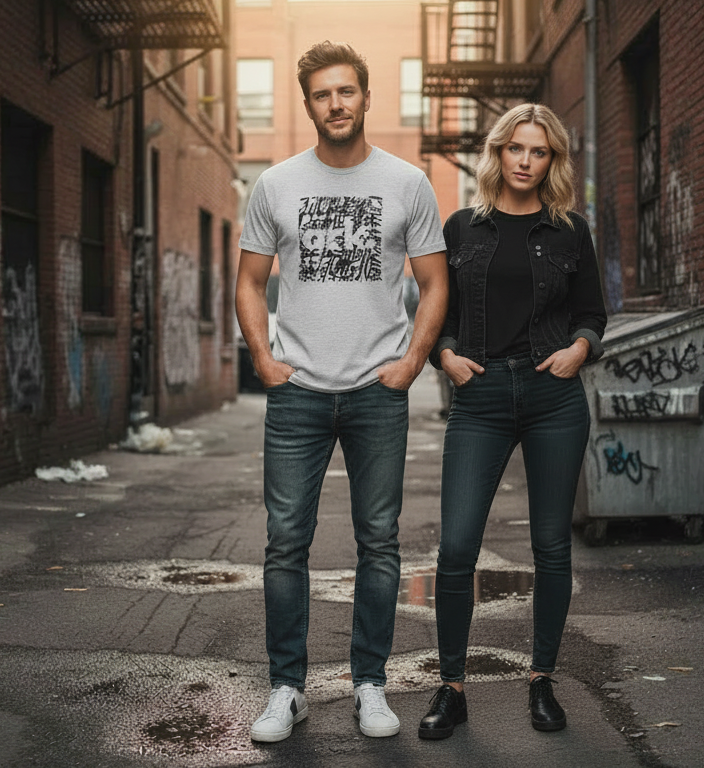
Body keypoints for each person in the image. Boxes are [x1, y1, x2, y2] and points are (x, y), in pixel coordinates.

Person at [236, 40, 449, 743]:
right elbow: (249, 280)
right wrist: (263, 359)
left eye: (346, 91)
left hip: (376, 392)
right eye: (323, 94)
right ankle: (287, 689)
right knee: (285, 543)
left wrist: (412, 363)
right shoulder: (274, 185)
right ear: (308, 104)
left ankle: (369, 683)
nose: (336, 103)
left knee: (379, 543)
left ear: (365, 97)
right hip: (297, 393)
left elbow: (434, 282)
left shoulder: (408, 183)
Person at [418, 103, 606, 739]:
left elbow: (592, 313)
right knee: (457, 548)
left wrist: (579, 349)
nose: (526, 161)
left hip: (554, 396)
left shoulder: (569, 230)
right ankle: (451, 688)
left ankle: (542, 680)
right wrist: (445, 356)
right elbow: (437, 312)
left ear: (551, 161)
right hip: (481, 399)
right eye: (516, 149)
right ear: (497, 153)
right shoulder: (462, 228)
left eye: (540, 152)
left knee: (551, 546)